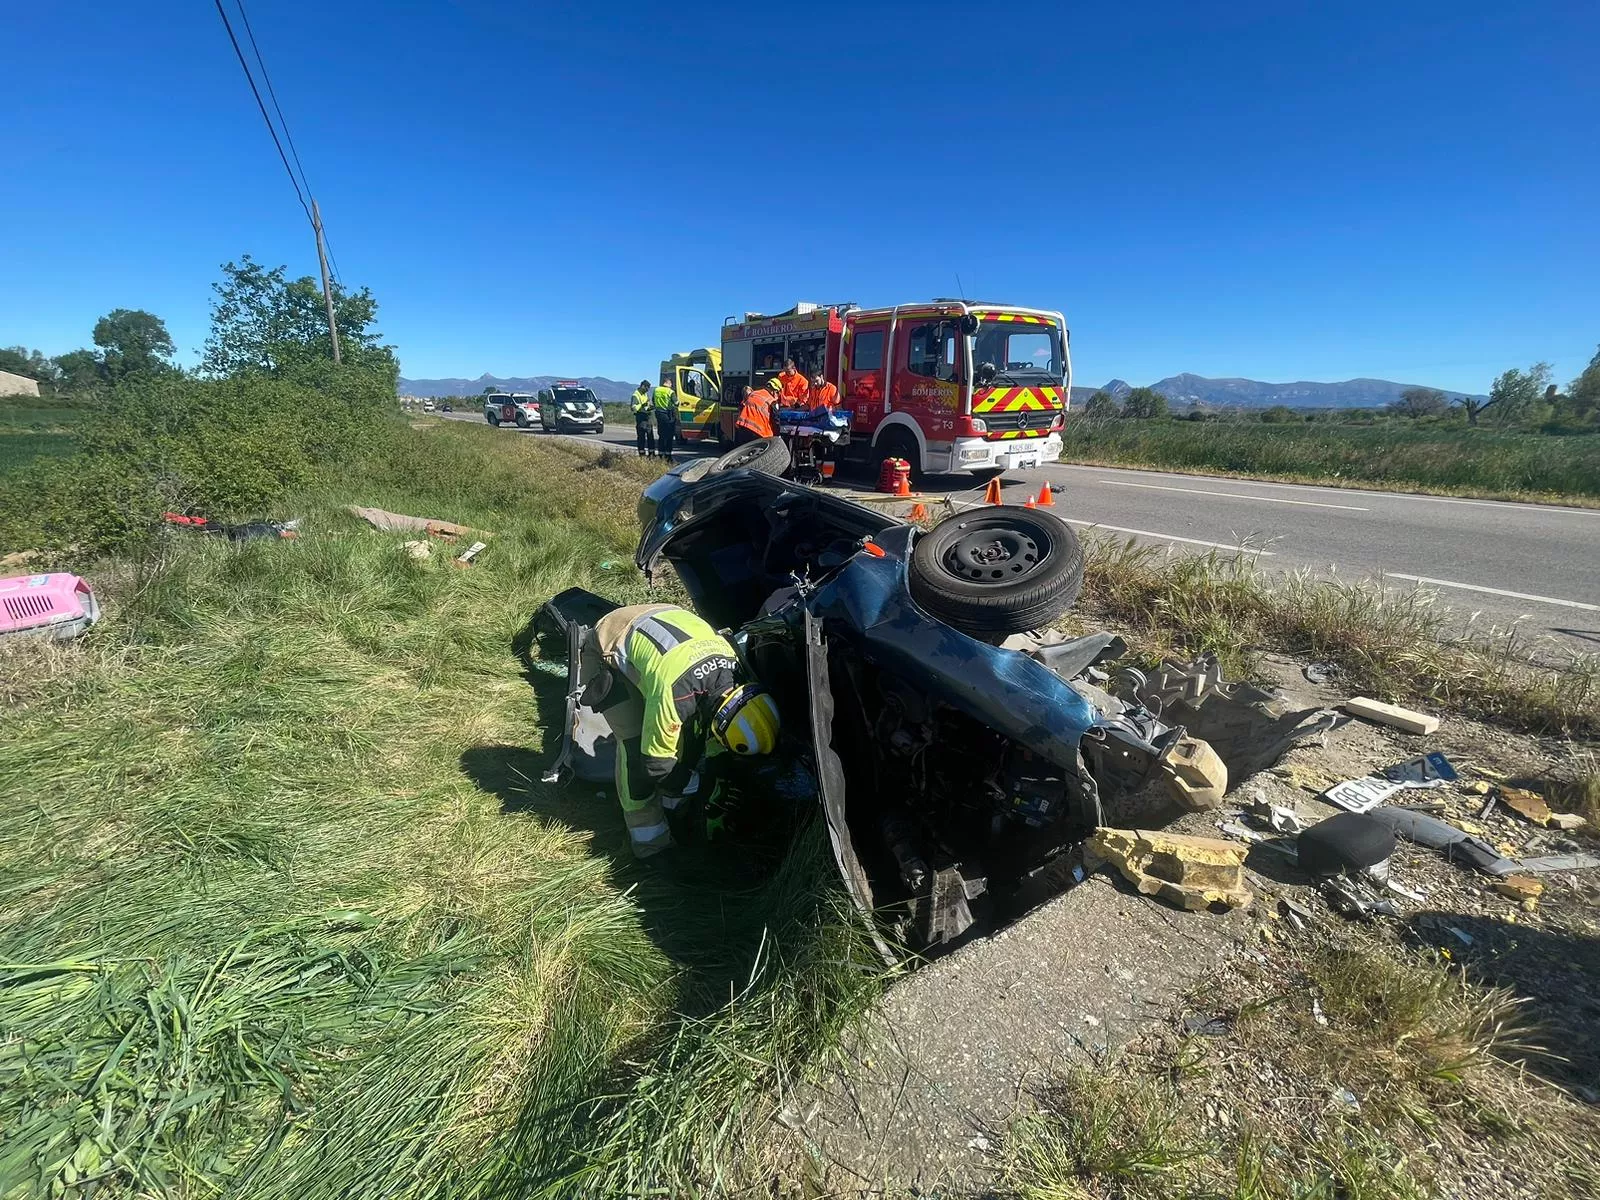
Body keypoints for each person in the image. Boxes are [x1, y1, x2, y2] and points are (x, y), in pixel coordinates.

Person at [581, 604, 781, 857]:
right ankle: (650, 845)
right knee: (635, 747)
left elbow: (706, 733)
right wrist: (696, 785)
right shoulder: (675, 691)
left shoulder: (737, 673)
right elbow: (656, 765)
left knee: (684, 733)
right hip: (607, 644)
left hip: (660, 618)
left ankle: (674, 810)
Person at [652, 376, 677, 463]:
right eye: (671, 384)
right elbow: (676, 402)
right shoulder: (670, 392)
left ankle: (660, 455)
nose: (671, 385)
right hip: (668, 415)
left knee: (661, 436)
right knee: (669, 436)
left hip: (659, 414)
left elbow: (653, 401)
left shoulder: (656, 390)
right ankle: (668, 456)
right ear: (668, 383)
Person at [630, 379, 656, 457]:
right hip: (641, 418)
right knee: (641, 438)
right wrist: (642, 406)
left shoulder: (645, 394)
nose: (647, 390)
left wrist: (650, 407)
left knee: (650, 437)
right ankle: (642, 454)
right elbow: (633, 408)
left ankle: (651, 454)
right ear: (642, 386)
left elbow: (646, 405)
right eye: (646, 388)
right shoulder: (636, 395)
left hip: (647, 417)